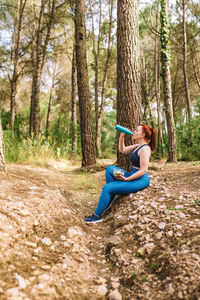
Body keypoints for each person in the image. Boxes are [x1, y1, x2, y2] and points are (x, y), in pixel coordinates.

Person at [84, 124, 157, 224]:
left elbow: (143, 170)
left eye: (136, 130)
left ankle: (97, 216)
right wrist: (122, 136)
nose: (134, 131)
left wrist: (127, 179)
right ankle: (112, 195)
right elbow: (122, 150)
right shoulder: (138, 146)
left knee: (107, 187)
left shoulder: (145, 149)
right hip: (134, 175)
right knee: (110, 169)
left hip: (140, 180)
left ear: (143, 134)